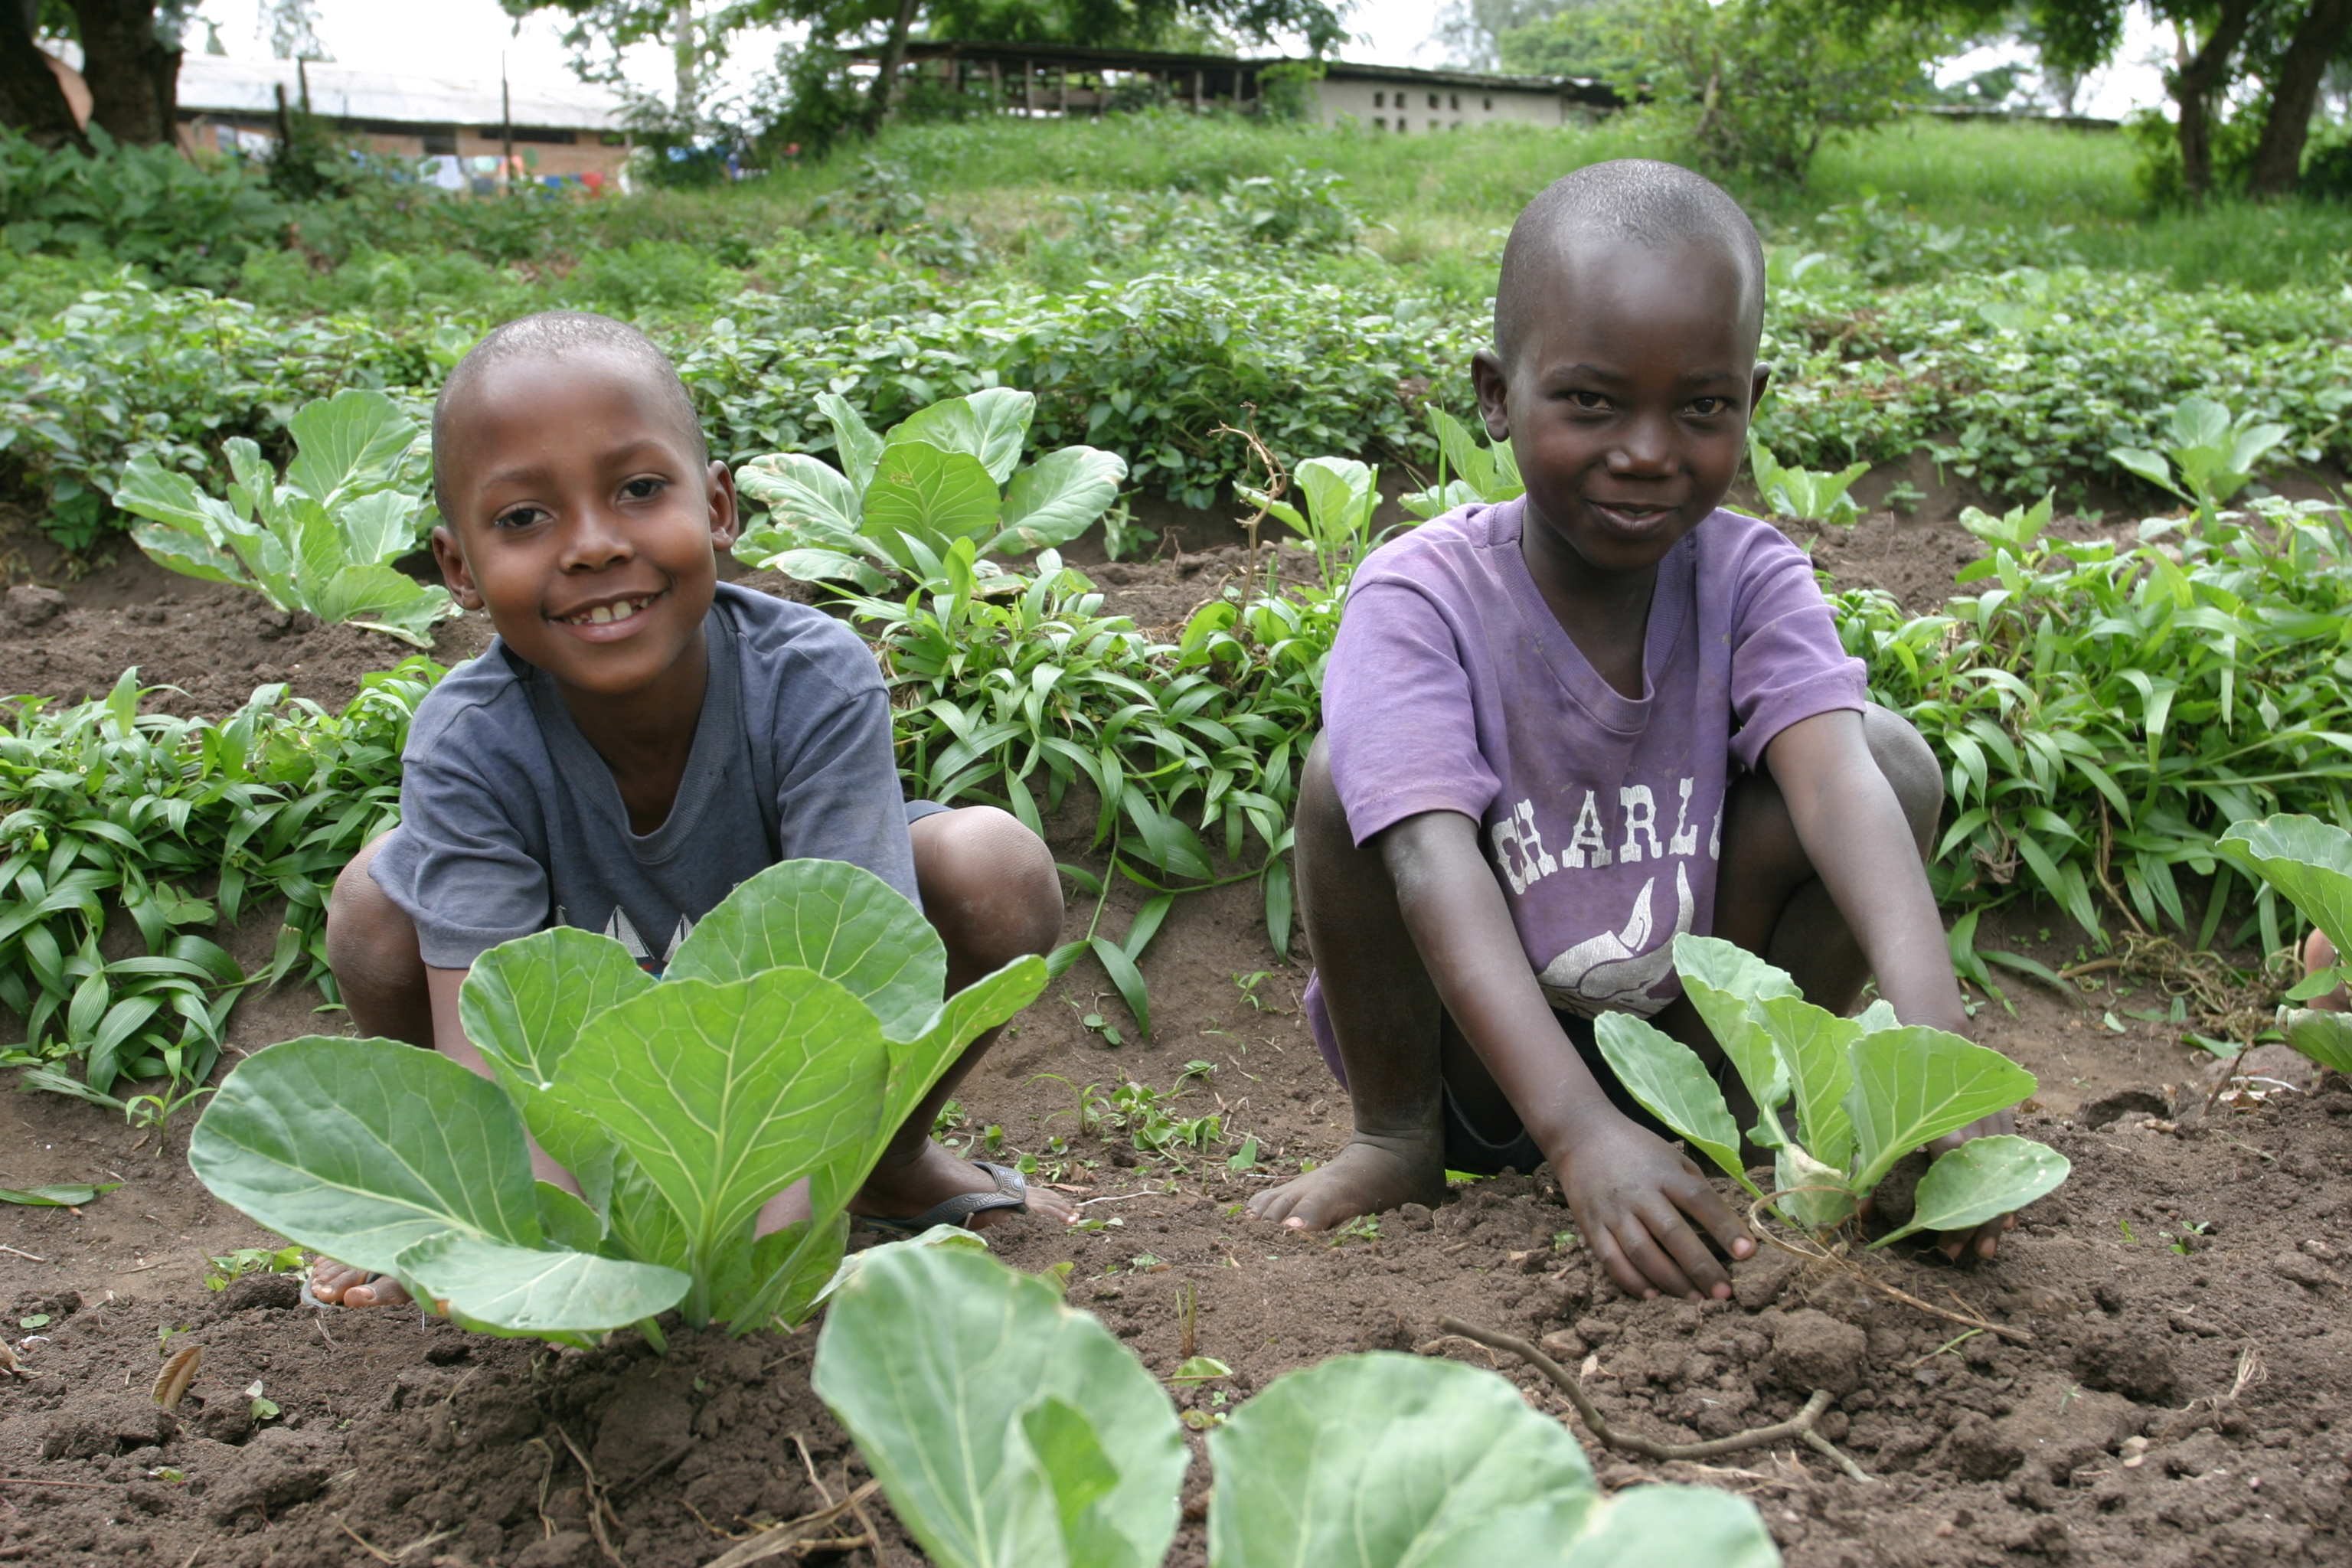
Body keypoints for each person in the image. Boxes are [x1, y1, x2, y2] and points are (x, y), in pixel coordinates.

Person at [1247, 160, 2020, 1302]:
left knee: (1887, 762)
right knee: (1344, 783)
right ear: (1496, 395)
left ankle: (1761, 1129)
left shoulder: (1752, 577)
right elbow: (1426, 858)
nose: (1650, 450)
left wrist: (1948, 1083)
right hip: (1485, 1070)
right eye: (1592, 401)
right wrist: (1576, 1137)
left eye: (1702, 406)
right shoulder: (1423, 597)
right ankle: (1396, 1140)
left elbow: (1841, 794)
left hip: (1688, 1055)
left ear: (1749, 399)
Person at [311, 312, 1072, 1307]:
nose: (590, 546)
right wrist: (551, 1269)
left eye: (637, 489)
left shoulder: (813, 683)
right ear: (457, 569)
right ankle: (435, 1192)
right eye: (524, 519)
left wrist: (757, 1274)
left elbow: (854, 1002)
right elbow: (495, 1058)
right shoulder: (470, 743)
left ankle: (883, 1166)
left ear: (718, 507)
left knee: (994, 872)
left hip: (786, 1084)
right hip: (583, 1077)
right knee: (377, 898)